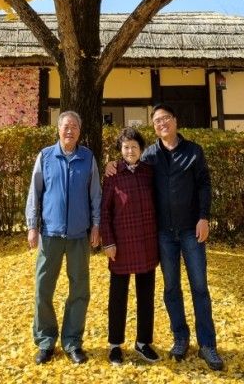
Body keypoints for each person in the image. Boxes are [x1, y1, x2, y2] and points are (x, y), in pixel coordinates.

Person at [145, 103, 224, 371]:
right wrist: (112, 167)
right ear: (153, 126)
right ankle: (180, 338)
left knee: (199, 288)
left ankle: (207, 345)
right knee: (170, 288)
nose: (162, 123)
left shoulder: (193, 151)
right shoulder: (150, 155)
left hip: (192, 229)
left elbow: (204, 184)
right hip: (164, 233)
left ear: (176, 121)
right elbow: (130, 169)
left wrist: (204, 217)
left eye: (166, 118)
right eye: (157, 121)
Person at [26, 110, 101, 365]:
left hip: (79, 234)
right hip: (50, 233)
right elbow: (35, 193)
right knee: (43, 288)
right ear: (58, 129)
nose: (69, 131)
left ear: (80, 131)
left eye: (74, 127)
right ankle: (46, 341)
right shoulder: (46, 156)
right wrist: (32, 226)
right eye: (65, 126)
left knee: (79, 289)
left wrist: (96, 226)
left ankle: (72, 342)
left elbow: (95, 196)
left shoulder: (87, 157)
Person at [100, 126, 160, 366]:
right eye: (126, 147)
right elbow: (104, 211)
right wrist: (108, 241)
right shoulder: (112, 174)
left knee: (146, 295)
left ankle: (143, 342)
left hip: (146, 241)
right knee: (118, 296)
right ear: (120, 150)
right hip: (121, 243)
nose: (130, 150)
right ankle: (115, 345)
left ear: (141, 149)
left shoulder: (148, 172)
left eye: (134, 147)